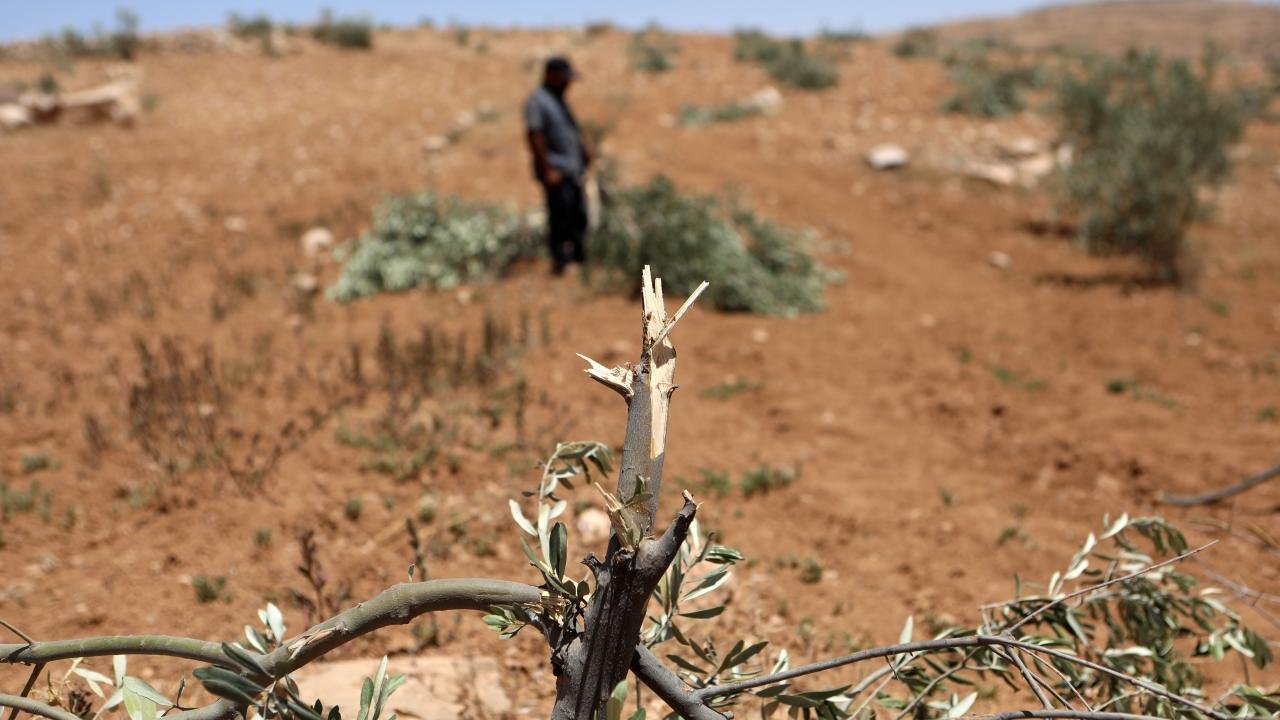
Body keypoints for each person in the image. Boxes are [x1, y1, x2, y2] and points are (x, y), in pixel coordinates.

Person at [524, 56, 591, 275]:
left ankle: (579, 259)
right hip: (556, 171)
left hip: (572, 169)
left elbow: (570, 131)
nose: (568, 83)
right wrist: (548, 169)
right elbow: (535, 135)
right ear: (551, 76)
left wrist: (583, 150)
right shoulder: (537, 101)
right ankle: (561, 262)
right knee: (560, 217)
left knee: (578, 215)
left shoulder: (559, 100)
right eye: (564, 78)